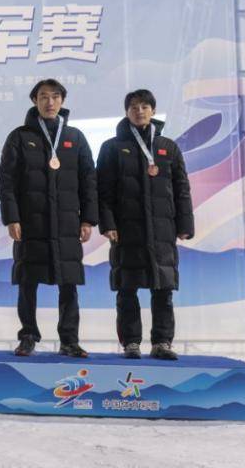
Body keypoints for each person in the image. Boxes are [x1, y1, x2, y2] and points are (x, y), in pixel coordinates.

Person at [0, 79, 98, 358]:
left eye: (55, 97)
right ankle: (28, 335)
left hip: (67, 224)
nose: (50, 102)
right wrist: (12, 218)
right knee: (28, 281)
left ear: (62, 101)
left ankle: (69, 339)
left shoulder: (75, 138)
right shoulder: (19, 137)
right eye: (43, 97)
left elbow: (89, 180)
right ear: (34, 101)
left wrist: (88, 219)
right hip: (31, 223)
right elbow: (6, 182)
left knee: (69, 283)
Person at [97, 89, 194, 360]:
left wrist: (185, 223)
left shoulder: (168, 147)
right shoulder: (111, 148)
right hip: (126, 231)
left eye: (144, 106)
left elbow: (182, 189)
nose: (139, 111)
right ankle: (131, 342)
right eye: (133, 106)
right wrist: (108, 224)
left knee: (163, 289)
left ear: (153, 110)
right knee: (127, 289)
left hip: (163, 231)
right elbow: (103, 191)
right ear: (126, 111)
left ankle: (162, 342)